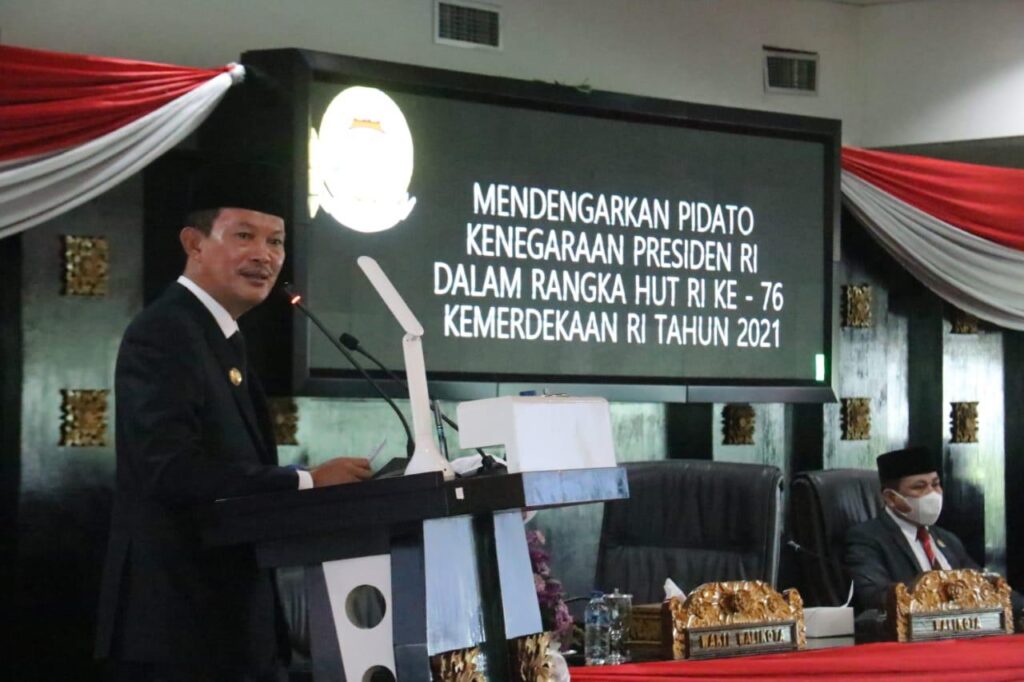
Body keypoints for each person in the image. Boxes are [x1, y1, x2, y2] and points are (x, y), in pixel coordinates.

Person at [95, 163, 371, 681]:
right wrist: (305, 482)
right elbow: (169, 470)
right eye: (244, 236)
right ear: (194, 243)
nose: (264, 255)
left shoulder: (221, 336)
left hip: (228, 626)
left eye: (276, 241)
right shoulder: (166, 332)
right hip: (179, 628)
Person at [844, 445, 1022, 617]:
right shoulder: (867, 538)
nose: (932, 494)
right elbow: (875, 596)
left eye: (935, 484)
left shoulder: (947, 539)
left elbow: (985, 585)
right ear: (891, 498)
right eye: (919, 487)